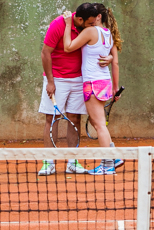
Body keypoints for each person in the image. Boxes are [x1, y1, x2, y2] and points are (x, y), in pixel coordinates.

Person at [37, 4, 106, 176]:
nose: (92, 27)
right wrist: (50, 81)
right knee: (52, 118)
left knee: (75, 118)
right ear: (80, 20)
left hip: (79, 78)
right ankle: (49, 162)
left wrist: (110, 57)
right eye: (90, 24)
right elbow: (46, 53)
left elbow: (105, 45)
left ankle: (72, 162)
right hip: (57, 79)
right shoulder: (58, 24)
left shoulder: (89, 27)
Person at [60, 4, 121, 175]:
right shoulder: (108, 34)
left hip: (93, 83)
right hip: (105, 82)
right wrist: (115, 87)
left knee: (100, 125)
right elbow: (113, 60)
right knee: (97, 122)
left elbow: (68, 47)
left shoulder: (90, 32)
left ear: (97, 17)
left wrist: (66, 25)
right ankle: (114, 157)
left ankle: (107, 165)